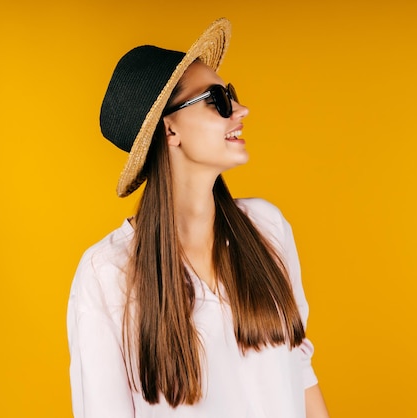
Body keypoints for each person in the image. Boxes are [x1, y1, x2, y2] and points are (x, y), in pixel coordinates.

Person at [67, 18, 330, 418]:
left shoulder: (267, 228)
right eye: (217, 100)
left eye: (232, 94)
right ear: (169, 130)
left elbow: (298, 365)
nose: (241, 109)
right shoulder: (107, 275)